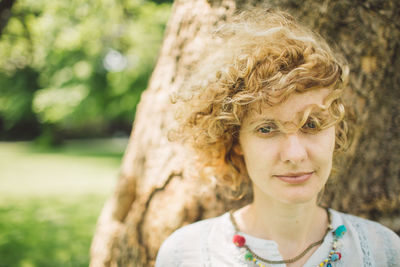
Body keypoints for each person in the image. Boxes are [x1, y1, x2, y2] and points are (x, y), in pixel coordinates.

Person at [155, 8, 400, 267]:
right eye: (266, 129)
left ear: (336, 130)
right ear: (236, 140)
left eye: (312, 124)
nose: (295, 155)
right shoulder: (185, 254)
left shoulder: (383, 250)